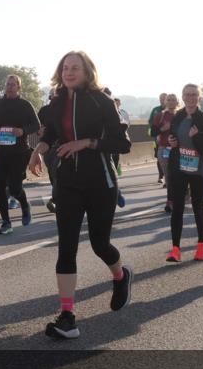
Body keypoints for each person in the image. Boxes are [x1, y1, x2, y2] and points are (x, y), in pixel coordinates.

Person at [28, 51, 133, 340]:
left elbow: (122, 144)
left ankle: (120, 276)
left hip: (101, 182)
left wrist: (85, 143)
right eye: (65, 68)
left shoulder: (101, 101)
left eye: (75, 68)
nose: (69, 72)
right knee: (67, 247)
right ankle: (67, 316)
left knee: (100, 244)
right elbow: (50, 135)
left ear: (88, 72)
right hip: (69, 183)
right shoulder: (57, 102)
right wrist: (38, 150)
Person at [164, 84, 203, 263]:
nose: (191, 97)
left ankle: (202, 245)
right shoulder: (178, 117)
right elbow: (173, 138)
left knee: (198, 207)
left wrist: (196, 137)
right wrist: (172, 141)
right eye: (187, 94)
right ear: (183, 96)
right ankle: (175, 249)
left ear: (199, 97)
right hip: (179, 167)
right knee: (177, 208)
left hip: (199, 170)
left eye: (194, 94)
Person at [0, 74, 40, 234]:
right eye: (8, 84)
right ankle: (6, 222)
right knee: (0, 188)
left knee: (15, 187)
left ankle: (24, 205)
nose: (9, 87)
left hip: (19, 152)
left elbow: (36, 125)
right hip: (0, 152)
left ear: (18, 87)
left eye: (13, 84)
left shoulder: (25, 105)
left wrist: (22, 131)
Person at [152, 93, 180, 212]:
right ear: (165, 102)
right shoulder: (160, 115)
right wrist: (162, 130)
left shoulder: (181, 115)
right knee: (169, 176)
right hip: (164, 149)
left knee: (180, 175)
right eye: (169, 100)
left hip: (180, 149)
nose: (171, 102)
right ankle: (170, 201)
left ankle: (183, 193)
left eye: (173, 100)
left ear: (178, 102)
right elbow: (152, 131)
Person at [148, 93, 168, 183]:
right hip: (158, 139)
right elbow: (151, 123)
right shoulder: (156, 110)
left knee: (170, 158)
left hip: (170, 140)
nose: (162, 100)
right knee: (159, 158)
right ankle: (161, 176)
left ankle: (169, 177)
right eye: (160, 98)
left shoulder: (173, 110)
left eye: (163, 98)